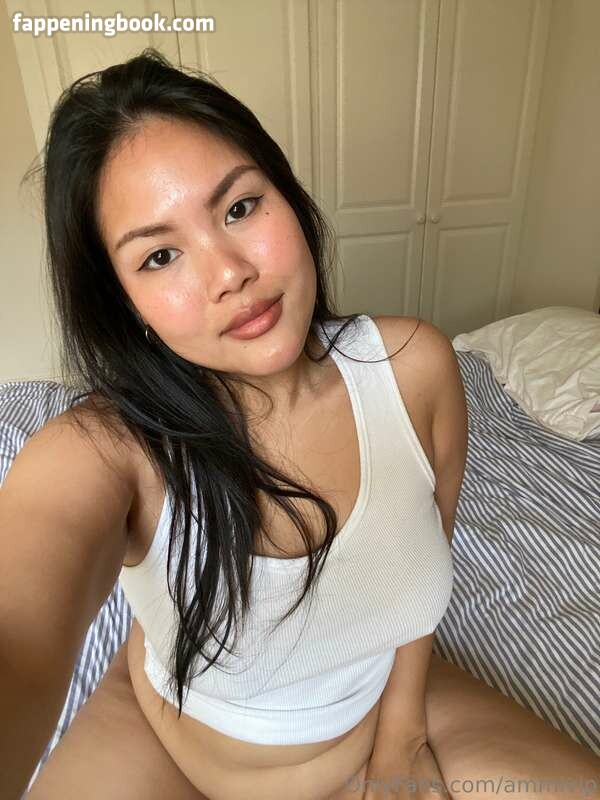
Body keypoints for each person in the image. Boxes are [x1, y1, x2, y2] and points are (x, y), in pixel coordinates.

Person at [3, 50, 598, 800]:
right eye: (160, 256)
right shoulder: (107, 449)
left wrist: (403, 732)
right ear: (126, 304)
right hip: (170, 745)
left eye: (240, 208)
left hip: (379, 713)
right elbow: (19, 627)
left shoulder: (415, 369)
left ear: (289, 197)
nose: (229, 273)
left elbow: (425, 559)